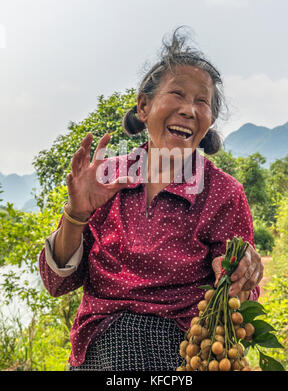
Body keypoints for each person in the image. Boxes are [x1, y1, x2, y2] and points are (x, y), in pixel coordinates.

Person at [39, 27, 263, 371]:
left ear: (209, 121)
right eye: (177, 94)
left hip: (183, 348)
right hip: (100, 345)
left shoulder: (223, 192)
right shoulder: (106, 177)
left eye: (201, 101)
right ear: (144, 106)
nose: (189, 109)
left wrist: (238, 278)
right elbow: (57, 283)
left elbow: (237, 294)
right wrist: (76, 214)